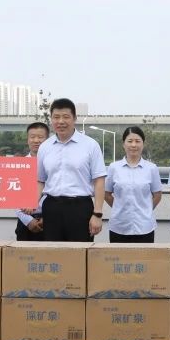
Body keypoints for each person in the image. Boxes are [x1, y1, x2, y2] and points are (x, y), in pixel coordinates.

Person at [35, 98, 107, 242]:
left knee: (80, 252)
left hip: (80, 208)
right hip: (52, 208)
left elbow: (99, 180)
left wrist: (97, 214)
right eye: (56, 117)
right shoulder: (45, 147)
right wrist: (31, 202)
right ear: (51, 119)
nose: (61, 121)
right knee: (52, 252)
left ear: (74, 118)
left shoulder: (90, 145)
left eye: (66, 117)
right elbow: (40, 180)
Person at [104, 126, 164, 243]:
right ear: (124, 144)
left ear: (143, 144)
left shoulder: (151, 168)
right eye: (130, 141)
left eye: (137, 141)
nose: (133, 145)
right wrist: (119, 207)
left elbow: (157, 195)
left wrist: (145, 209)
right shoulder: (114, 168)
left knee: (144, 255)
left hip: (144, 227)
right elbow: (107, 194)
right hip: (119, 226)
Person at [15, 122, 49, 241]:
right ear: (27, 140)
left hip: (50, 220)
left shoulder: (54, 165)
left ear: (47, 140)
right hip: (24, 221)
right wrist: (28, 220)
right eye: (32, 137)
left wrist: (48, 217)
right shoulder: (19, 165)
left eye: (40, 137)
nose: (36, 140)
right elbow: (13, 195)